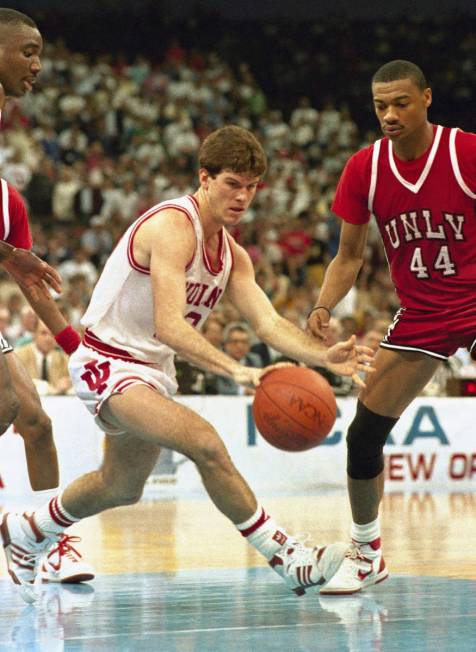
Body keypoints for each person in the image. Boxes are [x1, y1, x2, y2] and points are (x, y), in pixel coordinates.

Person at [1, 125, 375, 602]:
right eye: (232, 184)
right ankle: (288, 559)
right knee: (206, 443)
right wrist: (235, 370)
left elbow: (267, 322)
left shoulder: (233, 255)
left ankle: (28, 529)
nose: (243, 197)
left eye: (252, 186)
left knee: (121, 486)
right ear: (205, 177)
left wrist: (324, 356)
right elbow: (170, 326)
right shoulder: (173, 227)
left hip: (151, 369)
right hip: (109, 361)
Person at [307, 60, 476, 594]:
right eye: (381, 105)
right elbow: (349, 254)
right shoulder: (365, 167)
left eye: (401, 102)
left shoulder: (466, 152)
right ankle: (366, 552)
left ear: (427, 98)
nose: (390, 114)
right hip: (422, 312)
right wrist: (322, 307)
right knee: (364, 433)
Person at [0, 8, 93, 584]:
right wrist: (7, 254)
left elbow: (31, 280)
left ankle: (45, 541)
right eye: (27, 50)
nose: (37, 64)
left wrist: (74, 347)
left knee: (34, 418)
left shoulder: (8, 196)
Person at [16, 320, 73, 396]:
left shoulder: (64, 359)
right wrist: (47, 388)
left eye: (52, 334)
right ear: (34, 334)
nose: (48, 338)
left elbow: (74, 383)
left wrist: (68, 383)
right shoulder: (19, 357)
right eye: (43, 333)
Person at [215, 322, 262, 395]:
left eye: (244, 342)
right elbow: (218, 388)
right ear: (226, 344)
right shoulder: (218, 360)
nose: (240, 346)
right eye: (235, 341)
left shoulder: (255, 360)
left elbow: (260, 385)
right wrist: (243, 391)